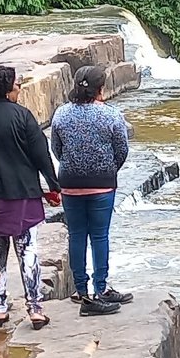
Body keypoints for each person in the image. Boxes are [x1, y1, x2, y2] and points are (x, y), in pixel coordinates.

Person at [0, 65, 60, 329]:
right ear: (7, 88)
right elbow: (41, 154)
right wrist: (53, 186)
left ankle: (0, 307)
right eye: (16, 84)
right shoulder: (22, 116)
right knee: (27, 250)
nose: (19, 88)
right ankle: (35, 309)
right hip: (21, 194)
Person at [50, 64, 134, 317]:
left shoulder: (61, 114)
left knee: (76, 235)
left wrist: (72, 166)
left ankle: (81, 291)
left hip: (70, 182)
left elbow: (57, 149)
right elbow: (122, 150)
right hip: (102, 183)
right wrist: (108, 169)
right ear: (101, 88)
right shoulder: (110, 115)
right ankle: (101, 289)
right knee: (99, 235)